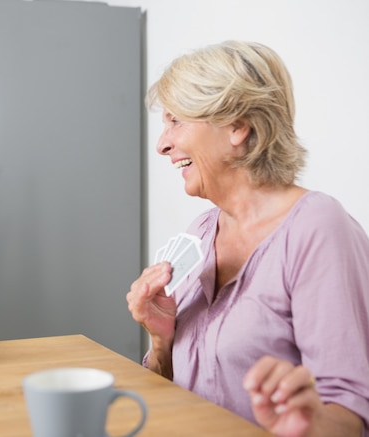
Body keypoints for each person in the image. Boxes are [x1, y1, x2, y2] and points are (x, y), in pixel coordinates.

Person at [127, 41, 369, 436]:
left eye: (176, 120)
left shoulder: (317, 228)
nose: (162, 144)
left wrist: (306, 425)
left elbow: (349, 417)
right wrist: (161, 341)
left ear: (237, 125)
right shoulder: (201, 234)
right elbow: (175, 397)